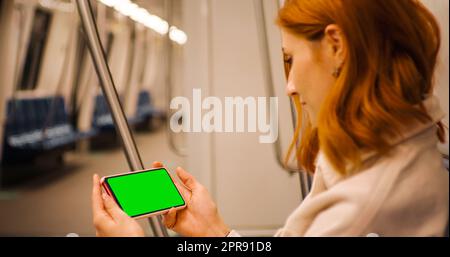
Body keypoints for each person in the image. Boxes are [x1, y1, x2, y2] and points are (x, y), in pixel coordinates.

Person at [91, 0, 449, 237]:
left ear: (336, 47)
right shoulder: (381, 150)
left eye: (291, 59)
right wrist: (216, 231)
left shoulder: (365, 204)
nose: (290, 86)